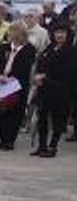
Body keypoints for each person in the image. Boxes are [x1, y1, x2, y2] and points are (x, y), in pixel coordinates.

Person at [0, 21, 35, 152]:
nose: (12, 34)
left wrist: (10, 79)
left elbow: (24, 69)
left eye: (15, 31)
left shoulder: (29, 49)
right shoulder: (5, 47)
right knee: (0, 110)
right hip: (2, 83)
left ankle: (9, 140)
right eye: (11, 31)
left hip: (17, 85)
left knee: (14, 113)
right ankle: (2, 139)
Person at [31, 24, 75, 158]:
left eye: (62, 32)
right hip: (44, 89)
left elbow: (69, 71)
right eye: (57, 32)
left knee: (57, 120)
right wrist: (37, 76)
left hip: (60, 90)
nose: (59, 35)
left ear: (67, 34)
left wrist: (45, 76)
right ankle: (42, 145)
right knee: (42, 119)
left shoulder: (72, 51)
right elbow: (40, 64)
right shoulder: (48, 48)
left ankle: (53, 146)